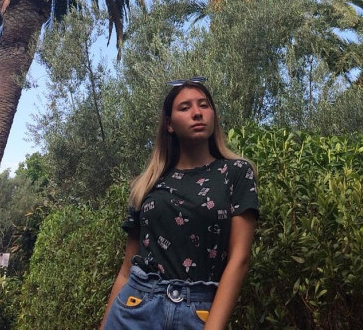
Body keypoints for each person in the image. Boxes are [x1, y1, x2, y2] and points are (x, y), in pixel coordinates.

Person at [101, 77, 259, 330]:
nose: (197, 113)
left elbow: (239, 259)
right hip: (134, 307)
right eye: (185, 107)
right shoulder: (148, 183)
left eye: (204, 105)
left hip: (197, 312)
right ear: (169, 124)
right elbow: (127, 268)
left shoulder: (236, 172)